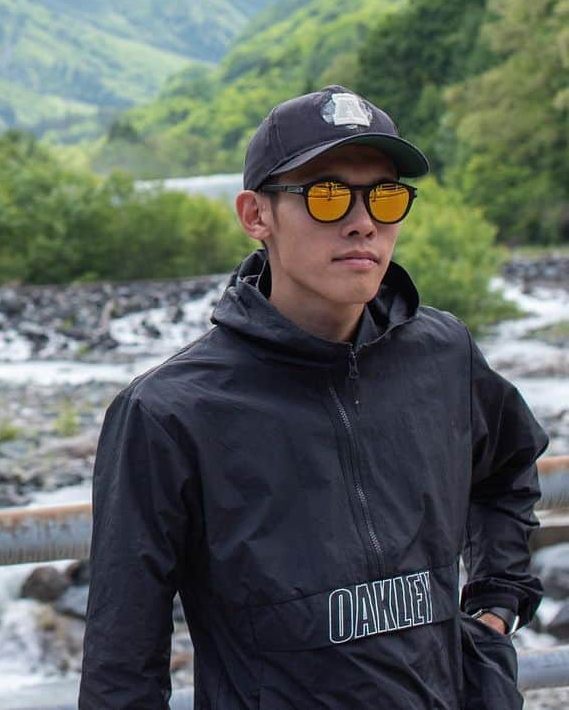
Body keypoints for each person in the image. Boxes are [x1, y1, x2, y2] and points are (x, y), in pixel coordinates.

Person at [78, 85, 547, 710]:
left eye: (385, 195)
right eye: (326, 195)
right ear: (256, 215)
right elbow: (121, 667)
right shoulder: (169, 414)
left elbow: (508, 472)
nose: (363, 221)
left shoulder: (443, 353)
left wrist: (494, 608)